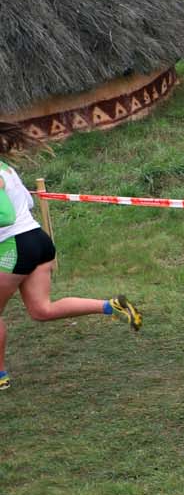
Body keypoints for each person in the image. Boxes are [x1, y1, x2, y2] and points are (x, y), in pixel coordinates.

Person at [0, 156, 142, 390]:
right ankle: (112, 306)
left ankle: (1, 375)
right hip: (37, 239)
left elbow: (6, 217)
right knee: (41, 310)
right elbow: (29, 202)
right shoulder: (6, 168)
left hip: (14, 245)